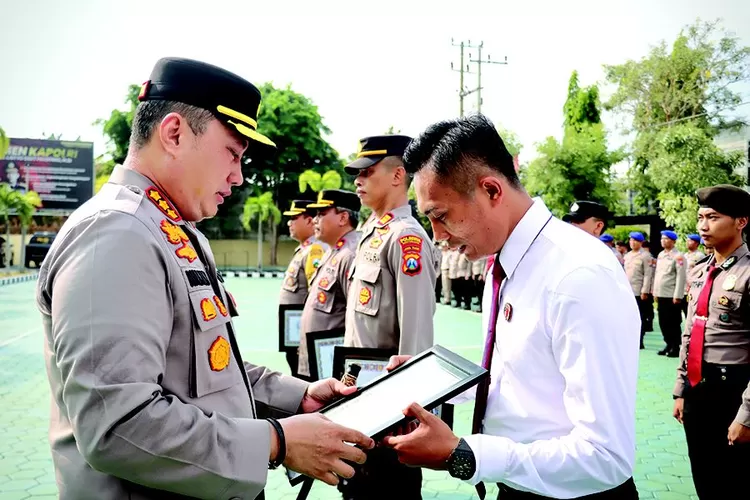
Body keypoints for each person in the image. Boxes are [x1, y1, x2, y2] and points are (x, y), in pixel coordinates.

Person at [35, 57, 374, 500]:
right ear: (174, 134)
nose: (238, 177)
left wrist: (298, 396)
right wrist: (278, 441)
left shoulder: (169, 229)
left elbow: (209, 369)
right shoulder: (115, 234)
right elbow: (119, 425)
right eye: (232, 154)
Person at [382, 114, 640, 499]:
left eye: (441, 216)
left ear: (491, 190)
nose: (436, 236)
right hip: (520, 484)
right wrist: (440, 384)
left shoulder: (577, 277)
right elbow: (520, 381)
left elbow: (605, 457)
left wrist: (465, 456)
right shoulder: (505, 263)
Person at [339, 134, 440, 500]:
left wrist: (409, 413)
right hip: (361, 398)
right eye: (357, 173)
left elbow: (415, 337)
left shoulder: (406, 238)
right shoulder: (372, 233)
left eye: (367, 172)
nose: (358, 180)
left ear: (398, 176)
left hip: (390, 416)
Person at [672, 184, 750, 499]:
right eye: (700, 217)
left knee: (734, 482)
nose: (703, 226)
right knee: (704, 477)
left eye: (713, 217)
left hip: (733, 392)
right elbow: (690, 332)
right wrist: (681, 389)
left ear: (741, 221)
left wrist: (747, 414)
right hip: (698, 388)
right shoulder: (703, 270)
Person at [297, 189, 361, 379]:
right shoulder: (334, 252)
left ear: (343, 218)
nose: (315, 220)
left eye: (322, 214)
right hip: (317, 360)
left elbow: (355, 317)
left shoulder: (350, 255)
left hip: (330, 364)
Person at [279, 199, 328, 305]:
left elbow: (315, 294)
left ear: (309, 221)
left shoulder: (315, 250)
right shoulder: (305, 249)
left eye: (294, 218)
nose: (289, 223)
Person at [653, 230, 687, 357]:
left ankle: (675, 346)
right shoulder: (661, 255)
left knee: (673, 322)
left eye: (666, 239)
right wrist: (655, 291)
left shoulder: (678, 256)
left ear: (673, 241)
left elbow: (680, 277)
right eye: (662, 238)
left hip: (671, 295)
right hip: (661, 293)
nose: (663, 241)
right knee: (663, 322)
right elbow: (658, 275)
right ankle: (668, 343)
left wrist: (678, 295)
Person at [624, 231, 653, 349]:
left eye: (635, 240)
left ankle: (639, 340)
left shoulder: (645, 256)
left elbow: (648, 274)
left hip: (638, 290)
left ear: (641, 242)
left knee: (639, 316)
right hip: (627, 290)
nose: (632, 242)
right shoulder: (627, 255)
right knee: (627, 316)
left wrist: (645, 290)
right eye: (631, 240)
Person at [681, 234, 706, 317]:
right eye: (687, 240)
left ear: (696, 243)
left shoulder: (700, 256)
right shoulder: (684, 255)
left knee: (691, 313)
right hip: (683, 289)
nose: (688, 242)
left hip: (693, 288)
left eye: (690, 241)